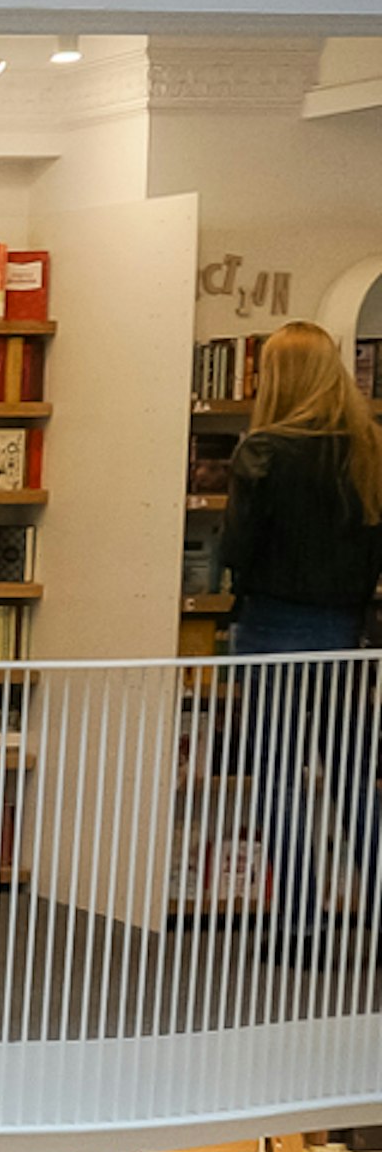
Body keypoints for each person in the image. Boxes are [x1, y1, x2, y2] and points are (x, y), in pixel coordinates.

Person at [214, 320, 382, 936]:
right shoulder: (371, 450)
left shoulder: (262, 452)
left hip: (272, 627)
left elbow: (236, 550)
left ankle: (300, 925)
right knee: (353, 779)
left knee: (280, 780)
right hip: (346, 633)